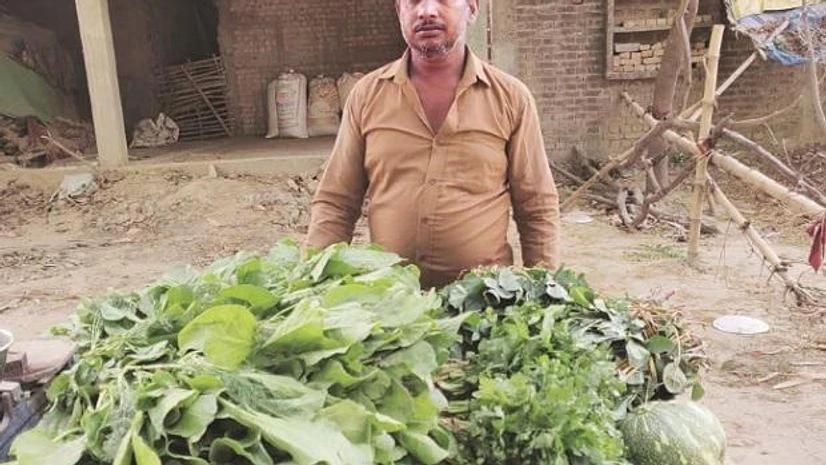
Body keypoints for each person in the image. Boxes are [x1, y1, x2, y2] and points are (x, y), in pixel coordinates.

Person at [306, 0, 561, 289]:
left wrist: (544, 291)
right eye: (413, 2)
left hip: (484, 306)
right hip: (391, 302)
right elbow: (337, 202)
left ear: (473, 9)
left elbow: (536, 207)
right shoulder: (367, 96)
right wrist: (311, 283)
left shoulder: (511, 98)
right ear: (399, 12)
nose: (426, 10)